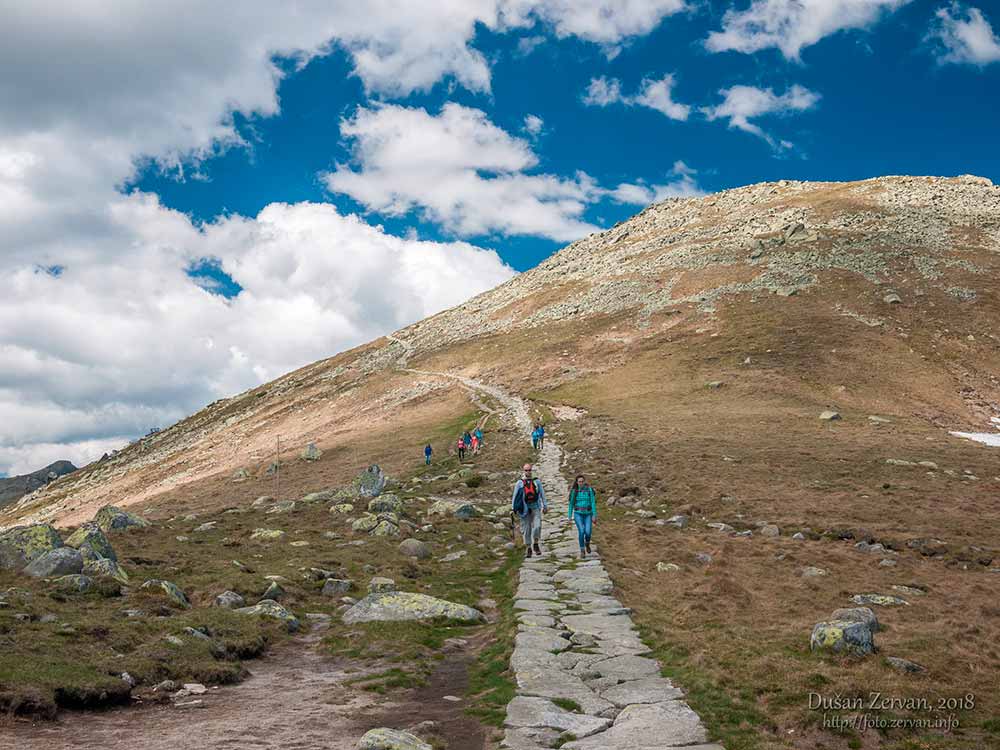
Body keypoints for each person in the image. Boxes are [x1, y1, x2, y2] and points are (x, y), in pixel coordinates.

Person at [511, 463, 547, 558]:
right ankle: (528, 548)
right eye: (526, 470)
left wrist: (545, 505)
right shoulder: (519, 483)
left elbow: (542, 493)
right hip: (524, 508)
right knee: (526, 529)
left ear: (532, 470)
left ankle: (535, 543)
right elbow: (515, 496)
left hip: (536, 506)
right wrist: (513, 508)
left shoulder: (536, 481)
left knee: (537, 526)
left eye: (529, 470)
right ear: (523, 471)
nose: (528, 472)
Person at [567, 475, 596, 558]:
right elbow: (571, 504)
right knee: (581, 531)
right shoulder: (574, 491)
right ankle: (582, 550)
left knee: (588, 532)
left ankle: (587, 543)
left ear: (584, 481)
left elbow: (593, 502)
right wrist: (569, 516)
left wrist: (594, 515)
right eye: (579, 482)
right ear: (577, 482)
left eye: (582, 481)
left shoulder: (589, 490)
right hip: (578, 514)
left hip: (588, 514)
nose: (581, 483)